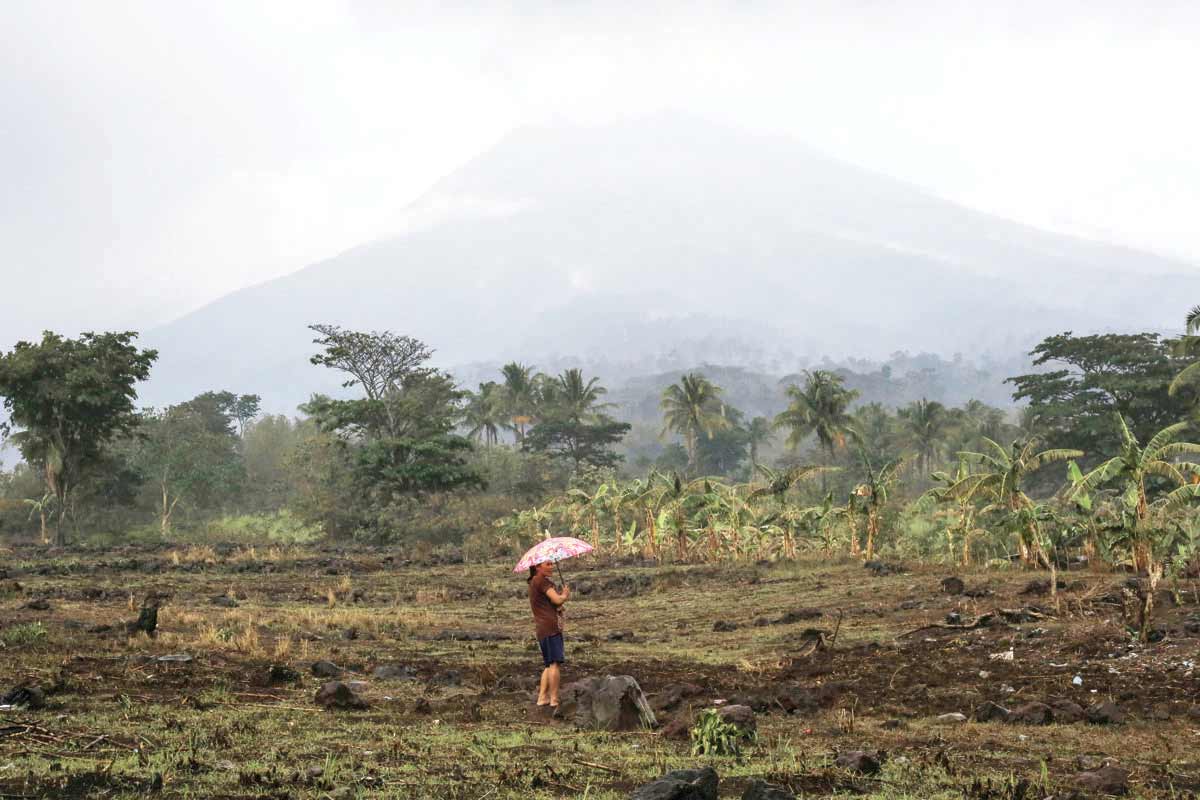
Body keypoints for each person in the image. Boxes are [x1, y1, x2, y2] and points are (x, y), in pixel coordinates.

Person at [528, 560, 570, 708]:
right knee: (554, 664)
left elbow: (553, 604)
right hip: (550, 627)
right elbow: (557, 599)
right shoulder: (542, 581)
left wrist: (559, 603)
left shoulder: (534, 581)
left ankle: (542, 698)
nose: (551, 567)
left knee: (548, 664)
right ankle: (554, 699)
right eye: (548, 564)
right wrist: (564, 595)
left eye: (552, 564)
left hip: (542, 628)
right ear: (537, 567)